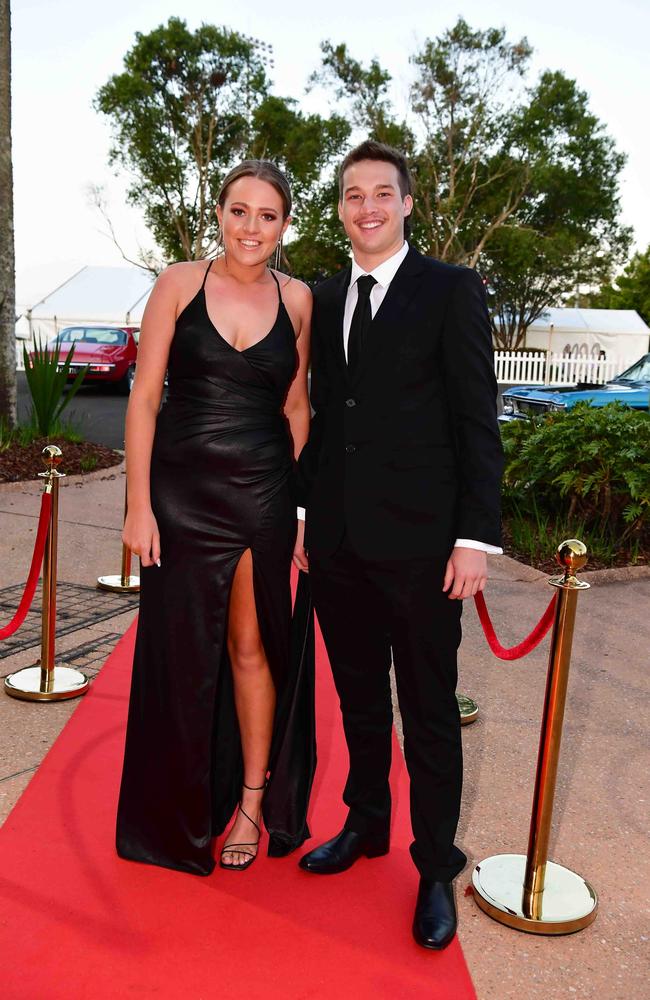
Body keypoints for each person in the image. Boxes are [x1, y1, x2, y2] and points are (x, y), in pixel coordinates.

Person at [294, 140, 504, 949]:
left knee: (427, 713)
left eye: (383, 193)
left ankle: (433, 867)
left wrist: (474, 539)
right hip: (340, 542)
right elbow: (324, 422)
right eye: (353, 195)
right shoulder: (325, 293)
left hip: (423, 548)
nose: (368, 207)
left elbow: (475, 421)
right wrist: (311, 520)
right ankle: (366, 824)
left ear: (408, 203)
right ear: (341, 207)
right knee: (356, 701)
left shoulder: (451, 290)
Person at [116, 160, 314, 876]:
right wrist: (138, 504)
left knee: (250, 645)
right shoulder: (177, 283)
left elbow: (296, 410)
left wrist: (295, 513)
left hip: (260, 494)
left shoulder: (299, 301)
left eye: (267, 215)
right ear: (220, 212)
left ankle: (252, 802)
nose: (250, 227)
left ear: (284, 225)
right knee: (179, 651)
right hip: (180, 494)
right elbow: (143, 398)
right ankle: (181, 804)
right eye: (239, 211)